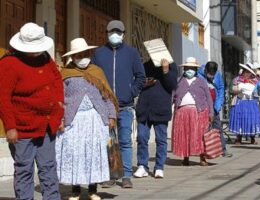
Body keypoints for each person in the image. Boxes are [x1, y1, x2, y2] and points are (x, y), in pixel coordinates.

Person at [0, 23, 63, 200]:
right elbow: (3, 98)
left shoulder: (45, 58)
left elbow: (57, 82)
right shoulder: (8, 64)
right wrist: (10, 127)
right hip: (22, 129)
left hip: (47, 125)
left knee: (48, 168)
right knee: (24, 169)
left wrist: (58, 111)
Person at [56, 38, 118, 200]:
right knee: (76, 153)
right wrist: (60, 119)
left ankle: (92, 190)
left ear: (89, 54)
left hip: (95, 119)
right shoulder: (65, 73)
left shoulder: (97, 71)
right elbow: (59, 98)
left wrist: (111, 115)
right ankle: (75, 190)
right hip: (73, 121)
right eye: (79, 55)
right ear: (73, 56)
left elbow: (107, 96)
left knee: (94, 153)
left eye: (85, 54)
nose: (83, 57)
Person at [91, 20, 145, 188]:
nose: (115, 34)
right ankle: (109, 175)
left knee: (125, 141)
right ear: (107, 33)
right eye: (112, 31)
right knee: (107, 142)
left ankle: (126, 175)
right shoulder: (99, 53)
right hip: (104, 106)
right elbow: (92, 77)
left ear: (123, 34)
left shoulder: (132, 53)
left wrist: (131, 92)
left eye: (118, 32)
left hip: (125, 106)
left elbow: (140, 76)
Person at [133, 58, 178, 179]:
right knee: (142, 137)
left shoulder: (172, 65)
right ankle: (142, 165)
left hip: (161, 108)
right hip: (144, 108)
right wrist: (145, 83)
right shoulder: (144, 65)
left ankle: (159, 166)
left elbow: (172, 85)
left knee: (161, 139)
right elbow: (137, 84)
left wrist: (165, 69)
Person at [172, 57, 213, 166]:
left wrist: (211, 113)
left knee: (200, 136)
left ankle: (202, 157)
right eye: (187, 68)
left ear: (195, 69)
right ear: (184, 68)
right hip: (182, 112)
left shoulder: (201, 82)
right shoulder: (178, 81)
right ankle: (186, 157)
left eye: (192, 68)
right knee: (185, 135)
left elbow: (208, 98)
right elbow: (172, 96)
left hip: (199, 112)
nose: (189, 70)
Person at [198, 61, 232, 157]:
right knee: (202, 130)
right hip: (202, 106)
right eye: (210, 74)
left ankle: (222, 150)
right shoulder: (198, 75)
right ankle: (202, 151)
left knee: (217, 129)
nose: (212, 76)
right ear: (205, 70)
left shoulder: (218, 75)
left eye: (213, 74)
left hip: (214, 107)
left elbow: (221, 88)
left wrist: (218, 104)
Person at [229, 63, 260, 145]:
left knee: (252, 120)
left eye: (248, 72)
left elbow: (259, 91)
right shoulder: (237, 80)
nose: (246, 73)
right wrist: (239, 89)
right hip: (240, 102)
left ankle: (252, 138)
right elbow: (232, 89)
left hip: (252, 102)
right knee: (240, 119)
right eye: (245, 71)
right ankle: (238, 138)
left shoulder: (256, 81)